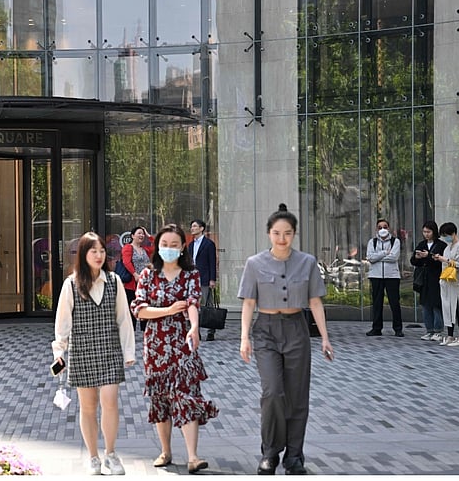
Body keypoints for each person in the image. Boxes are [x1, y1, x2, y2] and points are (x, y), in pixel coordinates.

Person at [238, 203, 333, 475]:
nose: (282, 238)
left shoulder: (307, 262)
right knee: (272, 392)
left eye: (287, 233)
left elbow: (315, 301)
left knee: (297, 396)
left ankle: (294, 456)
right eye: (277, 233)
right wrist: (244, 338)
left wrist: (325, 338)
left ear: (294, 234)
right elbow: (248, 303)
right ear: (269, 233)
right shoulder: (254, 264)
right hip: (266, 329)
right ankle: (269, 452)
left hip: (296, 329)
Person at [131, 224, 218, 475]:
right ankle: (166, 451)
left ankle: (193, 456)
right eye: (165, 244)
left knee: (186, 395)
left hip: (182, 344)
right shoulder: (148, 275)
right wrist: (168, 310)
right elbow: (139, 309)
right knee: (161, 398)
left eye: (174, 245)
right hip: (156, 345)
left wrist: (194, 328)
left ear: (183, 248)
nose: (169, 249)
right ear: (158, 247)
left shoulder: (191, 275)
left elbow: (192, 303)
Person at [52, 232, 136, 475]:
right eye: (93, 251)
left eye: (102, 251)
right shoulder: (71, 284)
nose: (99, 256)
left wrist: (128, 351)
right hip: (82, 352)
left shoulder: (114, 282)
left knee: (110, 402)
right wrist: (59, 351)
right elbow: (63, 322)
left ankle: (111, 454)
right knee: (88, 407)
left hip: (109, 350)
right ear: (83, 254)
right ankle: (93, 456)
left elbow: (124, 319)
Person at [365, 219, 404, 337]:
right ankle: (376, 328)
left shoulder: (395, 241)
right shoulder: (372, 242)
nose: (383, 229)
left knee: (394, 302)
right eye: (380, 227)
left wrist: (378, 257)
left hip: (392, 276)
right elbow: (370, 258)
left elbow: (394, 257)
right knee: (377, 303)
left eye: (385, 226)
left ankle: (398, 329)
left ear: (389, 228)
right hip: (376, 276)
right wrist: (384, 253)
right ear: (376, 229)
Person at [410, 221, 447, 341]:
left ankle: (438, 330)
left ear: (434, 232)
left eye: (428, 232)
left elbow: (442, 261)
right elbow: (413, 261)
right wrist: (417, 257)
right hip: (424, 279)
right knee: (425, 305)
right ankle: (429, 330)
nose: (426, 234)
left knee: (436, 305)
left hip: (436, 278)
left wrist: (429, 256)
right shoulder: (422, 244)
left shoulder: (441, 245)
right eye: (424, 231)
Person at [435, 222, 459, 346]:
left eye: (446, 235)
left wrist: (445, 260)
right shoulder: (448, 247)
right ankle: (450, 335)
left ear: (453, 233)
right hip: (447, 281)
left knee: (458, 307)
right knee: (448, 308)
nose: (446, 237)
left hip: (456, 281)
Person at [189, 219, 218, 341]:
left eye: (195, 226)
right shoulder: (190, 245)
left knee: (208, 305)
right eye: (191, 226)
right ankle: (197, 330)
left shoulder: (209, 244)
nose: (192, 228)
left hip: (205, 278)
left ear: (201, 228)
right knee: (195, 305)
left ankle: (211, 331)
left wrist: (212, 279)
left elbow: (212, 262)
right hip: (192, 279)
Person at [120, 226, 153, 330]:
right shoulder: (128, 247)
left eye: (143, 234)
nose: (141, 235)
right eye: (139, 233)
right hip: (132, 283)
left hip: (145, 283)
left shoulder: (145, 249)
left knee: (145, 305)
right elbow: (126, 262)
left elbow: (157, 246)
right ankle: (131, 330)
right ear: (132, 236)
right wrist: (135, 274)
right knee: (131, 307)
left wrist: (149, 236)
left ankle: (144, 329)